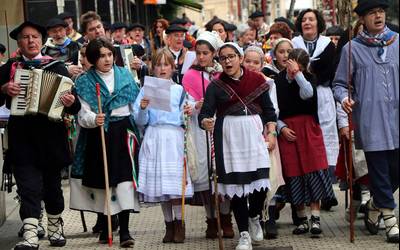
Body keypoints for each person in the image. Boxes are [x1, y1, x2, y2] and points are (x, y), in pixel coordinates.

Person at [0, 21, 81, 249]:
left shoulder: (56, 67)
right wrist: (3, 89)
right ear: (19, 42)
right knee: (28, 187)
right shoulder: (10, 68)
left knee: (52, 187)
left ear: (42, 40)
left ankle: (55, 227)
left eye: (35, 36)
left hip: (51, 137)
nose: (31, 41)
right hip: (22, 138)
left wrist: (70, 102)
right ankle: (31, 235)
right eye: (26, 37)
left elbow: (75, 108)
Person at [199, 42, 277, 250]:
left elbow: (269, 111)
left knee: (260, 181)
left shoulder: (257, 80)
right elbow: (205, 113)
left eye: (231, 56)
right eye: (223, 58)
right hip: (229, 138)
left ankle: (254, 217)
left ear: (240, 58)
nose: (227, 61)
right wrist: (205, 121)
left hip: (254, 134)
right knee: (237, 188)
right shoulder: (215, 86)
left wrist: (271, 132)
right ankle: (244, 233)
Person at [333, 0, 399, 243]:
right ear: (362, 19)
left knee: (396, 170)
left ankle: (374, 204)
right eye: (372, 13)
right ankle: (390, 220)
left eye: (381, 11)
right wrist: (344, 99)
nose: (378, 16)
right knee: (380, 171)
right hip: (371, 120)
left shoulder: (398, 42)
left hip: (397, 116)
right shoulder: (352, 49)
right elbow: (340, 84)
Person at [70, 38, 140, 247]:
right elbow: (82, 113)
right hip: (98, 133)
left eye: (109, 54)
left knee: (125, 181)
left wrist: (143, 107)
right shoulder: (84, 82)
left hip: (122, 133)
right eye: (101, 56)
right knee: (104, 181)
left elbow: (134, 106)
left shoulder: (126, 76)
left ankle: (125, 232)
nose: (107, 59)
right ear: (93, 59)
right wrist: (94, 119)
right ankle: (108, 223)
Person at [133, 48, 194, 244]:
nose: (162, 68)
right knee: (162, 187)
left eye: (166, 64)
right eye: (158, 65)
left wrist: (188, 111)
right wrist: (142, 108)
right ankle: (168, 225)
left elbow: (187, 114)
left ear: (172, 67)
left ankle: (179, 224)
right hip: (154, 136)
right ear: (152, 67)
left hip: (173, 138)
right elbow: (139, 120)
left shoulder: (180, 90)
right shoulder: (145, 89)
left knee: (175, 185)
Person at [275, 48, 335, 237]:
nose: (294, 69)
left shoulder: (309, 78)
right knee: (293, 172)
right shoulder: (277, 81)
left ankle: (315, 218)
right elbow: (273, 108)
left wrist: (299, 74)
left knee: (313, 170)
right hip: (288, 129)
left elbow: (307, 94)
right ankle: (301, 219)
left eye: (299, 67)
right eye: (292, 65)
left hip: (309, 128)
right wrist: (281, 127)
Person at [182, 31, 235, 239]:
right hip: (200, 128)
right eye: (198, 53)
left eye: (206, 53)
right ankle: (211, 219)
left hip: (221, 127)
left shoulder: (222, 74)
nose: (201, 57)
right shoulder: (190, 75)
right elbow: (185, 104)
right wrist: (196, 105)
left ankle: (226, 218)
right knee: (206, 177)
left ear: (214, 53)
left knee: (222, 173)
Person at [292, 9, 339, 210]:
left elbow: (330, 70)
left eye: (311, 19)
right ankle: (305, 194)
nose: (308, 22)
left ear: (318, 23)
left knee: (325, 141)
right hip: (300, 97)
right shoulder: (293, 45)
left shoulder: (327, 45)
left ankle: (326, 190)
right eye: (304, 20)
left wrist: (309, 73)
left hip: (322, 96)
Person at [243, 45, 285, 239]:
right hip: (243, 136)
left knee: (267, 177)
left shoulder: (268, 82)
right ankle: (251, 219)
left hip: (264, 133)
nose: (251, 65)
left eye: (255, 62)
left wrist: (271, 132)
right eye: (248, 61)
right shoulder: (237, 82)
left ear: (262, 64)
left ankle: (268, 218)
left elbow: (273, 109)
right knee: (248, 179)